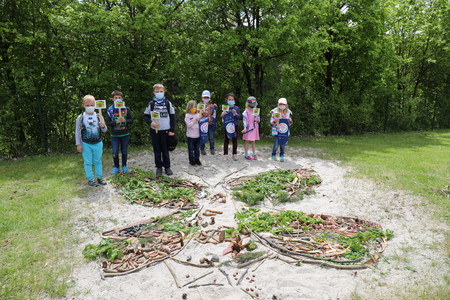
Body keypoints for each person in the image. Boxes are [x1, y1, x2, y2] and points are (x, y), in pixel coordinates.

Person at [75, 95, 108, 186]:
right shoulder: (81, 117)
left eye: (92, 105)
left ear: (95, 105)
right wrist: (78, 144)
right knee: (88, 162)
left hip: (98, 142)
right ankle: (90, 179)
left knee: (98, 161)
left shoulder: (99, 116)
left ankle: (100, 178)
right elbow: (77, 131)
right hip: (86, 143)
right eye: (88, 105)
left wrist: (103, 126)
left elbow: (105, 130)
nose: (90, 107)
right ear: (83, 105)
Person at [143, 83, 176, 176]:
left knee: (165, 150)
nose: (159, 93)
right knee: (157, 149)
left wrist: (172, 130)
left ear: (164, 92)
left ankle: (167, 167)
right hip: (155, 131)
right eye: (157, 92)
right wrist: (151, 122)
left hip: (166, 131)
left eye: (161, 91)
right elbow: (145, 116)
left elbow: (173, 117)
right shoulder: (151, 104)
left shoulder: (168, 103)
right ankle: (158, 167)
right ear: (154, 93)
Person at [106, 90, 133, 174]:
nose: (117, 99)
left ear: (122, 99)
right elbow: (108, 123)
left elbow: (131, 120)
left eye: (119, 97)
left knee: (124, 151)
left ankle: (124, 166)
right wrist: (117, 121)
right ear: (112, 99)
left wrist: (124, 120)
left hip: (125, 134)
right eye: (115, 98)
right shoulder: (110, 110)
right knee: (115, 152)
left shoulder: (126, 109)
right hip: (115, 135)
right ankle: (116, 167)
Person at [270, 98, 293, 162]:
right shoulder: (275, 112)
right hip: (277, 131)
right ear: (278, 104)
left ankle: (282, 155)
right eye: (280, 104)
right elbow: (271, 121)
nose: (282, 105)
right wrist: (275, 120)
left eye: (283, 104)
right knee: (276, 144)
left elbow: (289, 123)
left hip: (285, 132)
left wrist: (290, 121)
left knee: (283, 144)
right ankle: (273, 154)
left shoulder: (288, 112)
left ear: (286, 105)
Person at [221, 93, 241, 161]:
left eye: (232, 99)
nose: (231, 100)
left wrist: (235, 113)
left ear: (234, 100)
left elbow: (239, 117)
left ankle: (234, 154)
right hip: (227, 126)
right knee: (226, 140)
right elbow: (222, 118)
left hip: (234, 125)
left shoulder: (236, 108)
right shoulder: (225, 108)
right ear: (226, 100)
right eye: (229, 99)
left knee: (234, 140)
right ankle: (225, 154)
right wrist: (222, 115)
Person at [199, 90, 218, 155]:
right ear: (202, 98)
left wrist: (215, 107)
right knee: (203, 137)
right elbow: (198, 114)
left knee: (211, 137)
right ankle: (202, 148)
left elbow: (215, 109)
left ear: (209, 98)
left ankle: (212, 148)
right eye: (205, 97)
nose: (206, 99)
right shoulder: (199, 105)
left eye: (207, 97)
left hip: (210, 124)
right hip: (203, 124)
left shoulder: (211, 105)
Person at [184, 100, 202, 166]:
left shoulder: (198, 114)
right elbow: (188, 125)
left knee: (197, 149)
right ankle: (191, 161)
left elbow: (202, 123)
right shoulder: (187, 115)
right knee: (191, 149)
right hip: (190, 136)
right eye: (192, 107)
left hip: (198, 136)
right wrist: (195, 121)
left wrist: (200, 115)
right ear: (189, 107)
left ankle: (197, 160)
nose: (194, 108)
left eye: (195, 106)